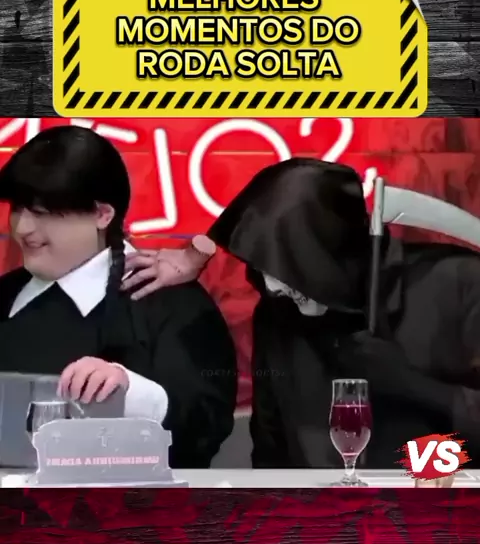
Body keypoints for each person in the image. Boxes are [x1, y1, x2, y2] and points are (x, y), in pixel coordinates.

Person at [124, 157, 480, 469]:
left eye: (284, 262)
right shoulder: (278, 314)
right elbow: (270, 448)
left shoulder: (460, 285)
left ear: (323, 247)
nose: (273, 286)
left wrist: (412, 385)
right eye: (261, 266)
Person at [0, 126, 237, 468]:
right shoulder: (6, 295)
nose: (22, 228)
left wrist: (131, 393)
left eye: (42, 211)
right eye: (18, 208)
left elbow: (204, 428)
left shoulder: (171, 301)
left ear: (102, 214)